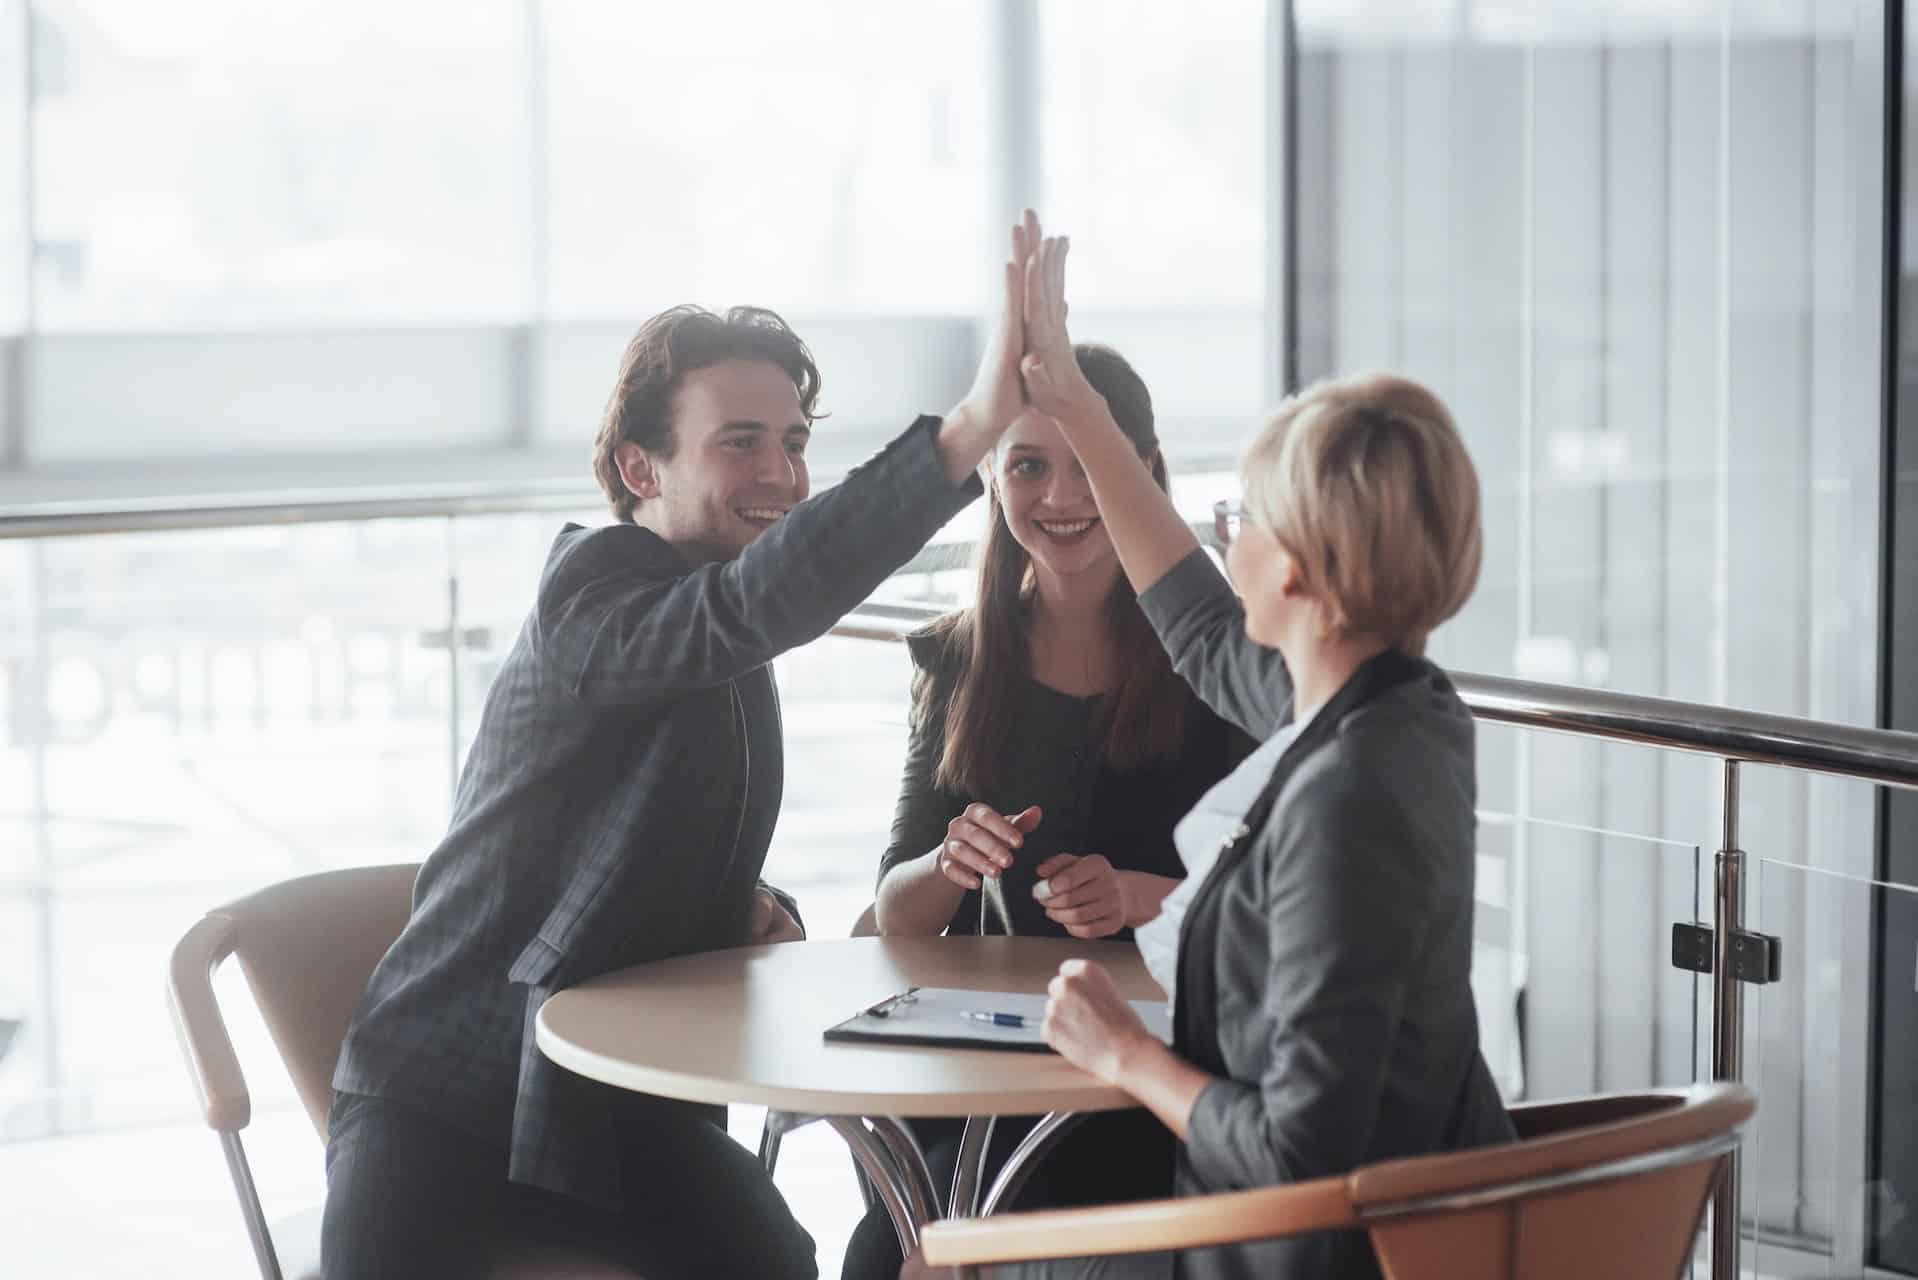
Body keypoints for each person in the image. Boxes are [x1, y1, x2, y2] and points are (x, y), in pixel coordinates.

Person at [322, 218, 1043, 1280]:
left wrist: (749, 902)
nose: (782, 471)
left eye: (794, 441)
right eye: (739, 440)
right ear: (636, 465)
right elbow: (758, 603)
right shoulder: (596, 592)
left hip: (613, 1104)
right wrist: (972, 425)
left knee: (783, 1259)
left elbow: (642, 817)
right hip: (449, 1094)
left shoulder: (718, 626)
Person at [905, 215, 1514, 1279]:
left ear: (1294, 572)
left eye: (1243, 517)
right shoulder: (1380, 703)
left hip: (1289, 1256)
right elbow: (1188, 619)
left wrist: (1125, 1054)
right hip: (1373, 1225)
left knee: (946, 1256)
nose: (1221, 537)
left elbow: (1299, 1153)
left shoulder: (1347, 794)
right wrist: (1075, 402)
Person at [842, 346, 1252, 1280]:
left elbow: (1269, 889)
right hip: (998, 1069)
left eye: (1087, 463)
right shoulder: (956, 659)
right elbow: (895, 914)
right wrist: (948, 862)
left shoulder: (1218, 659)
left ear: (1145, 473)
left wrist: (1144, 897)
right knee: (882, 1256)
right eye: (1028, 464)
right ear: (992, 476)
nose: (1060, 495)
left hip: (1162, 1068)